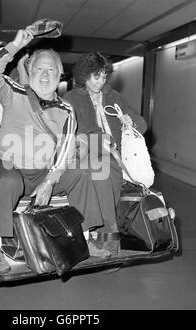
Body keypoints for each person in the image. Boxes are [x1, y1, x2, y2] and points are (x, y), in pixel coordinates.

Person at [0, 29, 113, 274]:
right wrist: (14, 46)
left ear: (60, 74)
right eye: (39, 68)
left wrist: (50, 181)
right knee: (9, 179)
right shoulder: (13, 92)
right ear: (29, 71)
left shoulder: (66, 110)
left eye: (51, 69)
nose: (45, 74)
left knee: (82, 173)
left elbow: (64, 151)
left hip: (41, 173)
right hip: (5, 165)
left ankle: (84, 238)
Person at [64, 52, 147, 253]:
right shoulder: (71, 98)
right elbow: (70, 133)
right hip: (87, 153)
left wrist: (130, 121)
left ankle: (107, 232)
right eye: (96, 76)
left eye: (103, 77)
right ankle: (109, 231)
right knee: (99, 170)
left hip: (114, 155)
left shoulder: (114, 96)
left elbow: (142, 124)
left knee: (102, 169)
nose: (101, 82)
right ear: (85, 75)